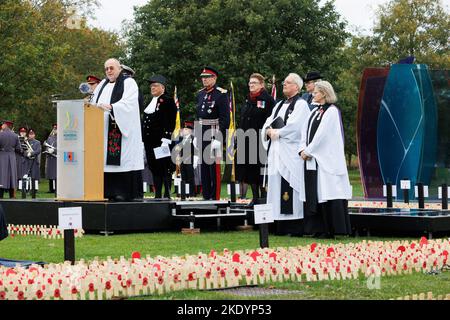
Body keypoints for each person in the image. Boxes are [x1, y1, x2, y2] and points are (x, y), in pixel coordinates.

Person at [299, 81, 352, 238]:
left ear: (324, 93)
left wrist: (308, 150)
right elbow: (305, 131)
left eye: (315, 92)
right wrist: (301, 149)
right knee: (317, 193)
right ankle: (318, 228)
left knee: (329, 193)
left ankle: (333, 229)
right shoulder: (315, 111)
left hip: (327, 160)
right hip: (313, 159)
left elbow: (321, 135)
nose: (312, 94)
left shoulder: (332, 111)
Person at [261, 73, 310, 234]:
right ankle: (277, 223)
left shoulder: (301, 104)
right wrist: (268, 130)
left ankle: (293, 225)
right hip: (276, 151)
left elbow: (296, 126)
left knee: (290, 186)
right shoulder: (279, 104)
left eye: (288, 83)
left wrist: (278, 133)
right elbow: (269, 120)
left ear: (297, 86)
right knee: (275, 185)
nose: (284, 85)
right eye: (284, 83)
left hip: (290, 151)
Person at [91, 58, 145, 202]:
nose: (108, 71)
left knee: (123, 160)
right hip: (104, 131)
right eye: (106, 68)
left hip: (121, 129)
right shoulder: (102, 84)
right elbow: (93, 103)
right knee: (105, 162)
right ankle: (108, 192)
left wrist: (113, 107)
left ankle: (125, 193)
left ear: (119, 69)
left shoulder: (128, 82)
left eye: (111, 68)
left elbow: (130, 103)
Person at [236, 73, 275, 206]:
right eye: (250, 83)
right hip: (246, 140)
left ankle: (264, 197)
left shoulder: (268, 100)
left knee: (260, 170)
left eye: (254, 83)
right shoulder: (248, 100)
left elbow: (272, 120)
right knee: (249, 171)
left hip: (261, 140)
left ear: (262, 85)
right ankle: (255, 197)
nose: (251, 85)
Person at [196, 67, 230, 200]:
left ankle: (214, 197)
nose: (204, 79)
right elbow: (199, 116)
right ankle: (206, 196)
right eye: (203, 77)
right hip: (202, 132)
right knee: (203, 167)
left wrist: (219, 137)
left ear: (214, 78)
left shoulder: (221, 94)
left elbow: (225, 119)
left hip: (214, 133)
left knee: (213, 168)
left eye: (207, 77)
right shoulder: (200, 94)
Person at [142, 75, 177, 199]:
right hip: (149, 141)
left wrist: (166, 139)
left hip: (161, 141)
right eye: (151, 86)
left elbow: (170, 122)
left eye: (155, 85)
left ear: (162, 87)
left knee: (164, 167)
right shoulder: (149, 101)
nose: (152, 88)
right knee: (153, 167)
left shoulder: (167, 101)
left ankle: (167, 193)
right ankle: (157, 194)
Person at [0, 120, 22, 198]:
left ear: (5, 125)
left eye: (2, 124)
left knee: (2, 176)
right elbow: (19, 149)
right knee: (12, 176)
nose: (2, 126)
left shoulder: (0, 134)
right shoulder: (15, 136)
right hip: (12, 157)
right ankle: (12, 196)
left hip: (2, 156)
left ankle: (1, 195)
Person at [175, 121, 197, 197]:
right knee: (183, 178)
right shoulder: (181, 139)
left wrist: (195, 162)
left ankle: (192, 193)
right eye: (184, 129)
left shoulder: (193, 139)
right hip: (182, 161)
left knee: (190, 178)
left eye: (186, 129)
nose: (184, 130)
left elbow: (196, 151)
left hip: (190, 160)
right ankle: (185, 193)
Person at [23, 128, 41, 197]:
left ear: (34, 135)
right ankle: (26, 189)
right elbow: (23, 150)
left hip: (34, 161)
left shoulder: (37, 142)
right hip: (27, 160)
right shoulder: (26, 142)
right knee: (27, 176)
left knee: (34, 176)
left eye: (32, 134)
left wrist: (32, 153)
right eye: (30, 134)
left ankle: (34, 190)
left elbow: (38, 150)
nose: (31, 135)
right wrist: (26, 154)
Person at [44, 123, 57, 193]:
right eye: (54, 128)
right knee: (50, 174)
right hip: (50, 157)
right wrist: (48, 150)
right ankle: (51, 189)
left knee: (56, 174)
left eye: (56, 128)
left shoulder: (61, 138)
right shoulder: (49, 138)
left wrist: (54, 150)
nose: (55, 130)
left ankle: (57, 189)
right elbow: (46, 146)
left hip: (56, 158)